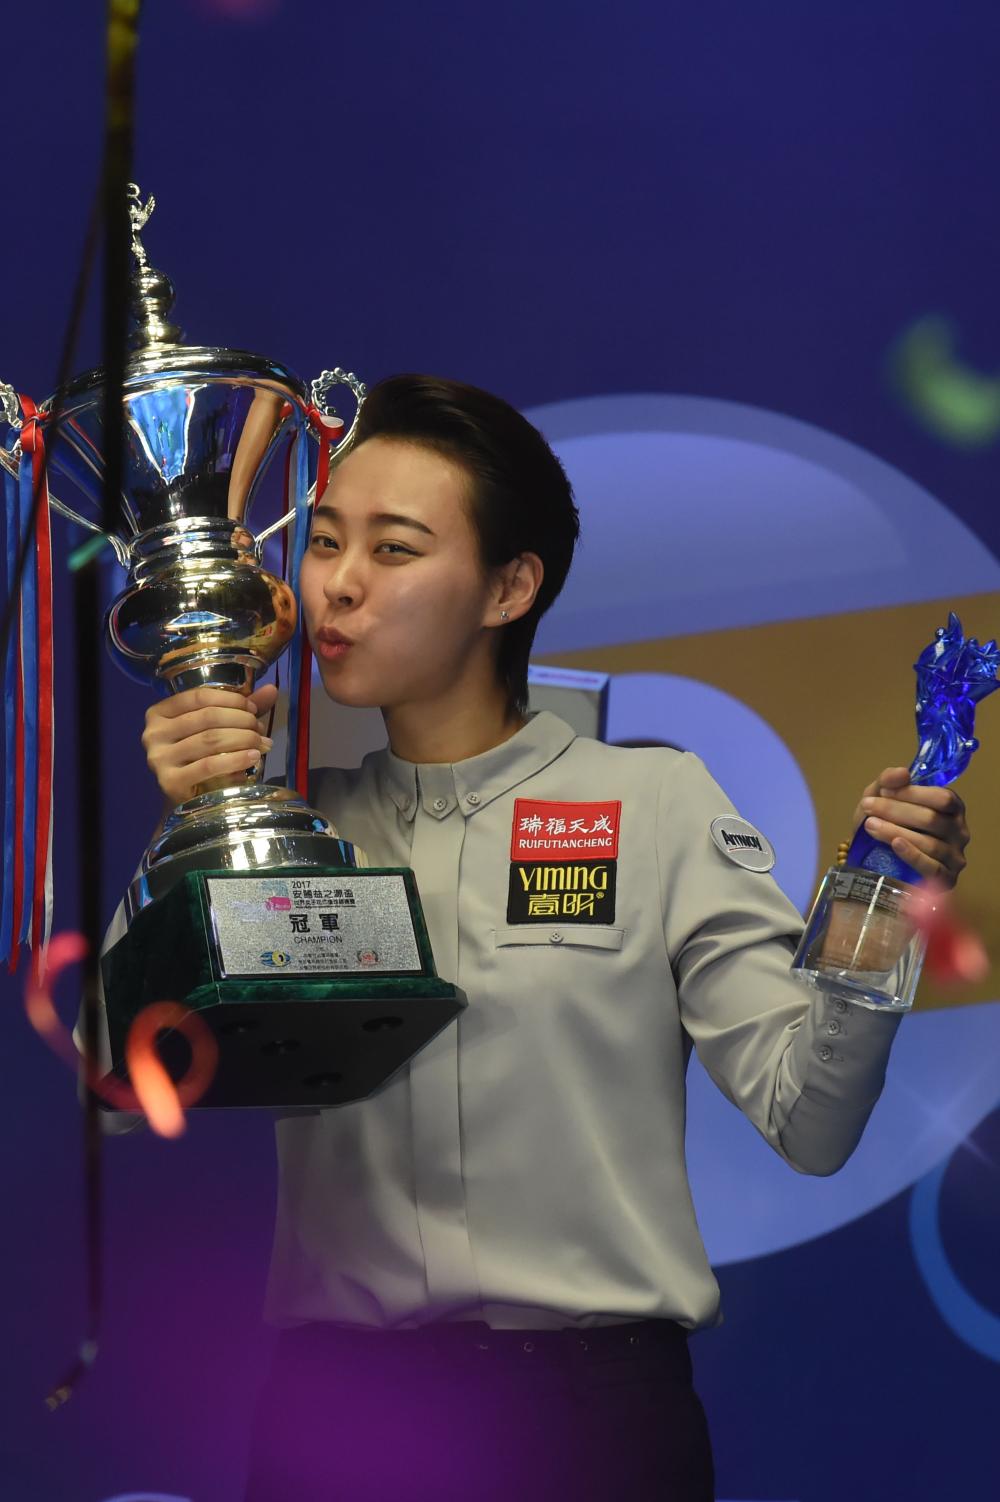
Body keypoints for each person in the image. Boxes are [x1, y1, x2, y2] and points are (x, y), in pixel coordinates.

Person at [137, 375, 971, 1501]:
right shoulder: (291, 825)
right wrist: (198, 819)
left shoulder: (652, 803)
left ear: (510, 586)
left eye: (394, 549)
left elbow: (811, 1121)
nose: (337, 583)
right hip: (340, 1416)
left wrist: (883, 903)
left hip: (589, 1422)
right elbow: (126, 1071)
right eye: (324, 540)